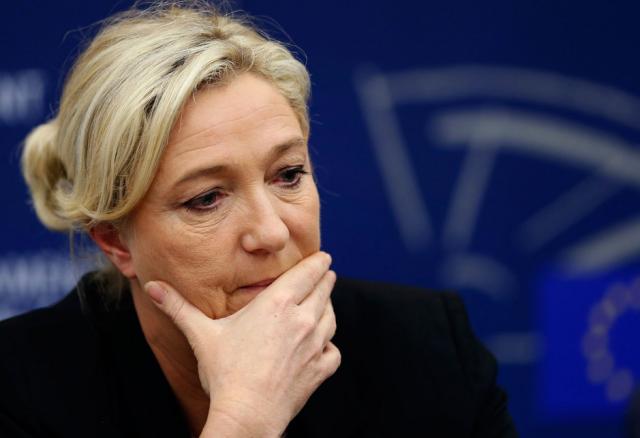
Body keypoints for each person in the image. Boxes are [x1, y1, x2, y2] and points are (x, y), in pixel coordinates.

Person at [0, 2, 517, 437]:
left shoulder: (427, 350)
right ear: (116, 242)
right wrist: (245, 419)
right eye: (206, 199)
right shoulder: (18, 390)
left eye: (288, 174)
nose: (271, 232)